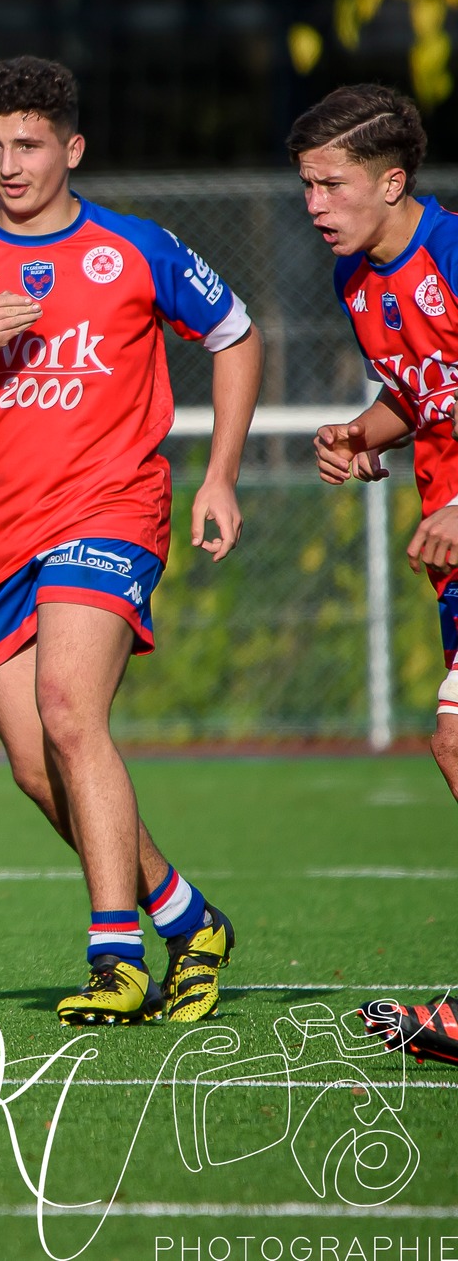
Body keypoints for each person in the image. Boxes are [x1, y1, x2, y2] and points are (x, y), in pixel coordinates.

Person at [0, 57, 261, 1027]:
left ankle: (113, 956)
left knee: (66, 710)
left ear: (70, 148)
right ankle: (185, 916)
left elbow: (235, 336)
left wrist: (216, 473)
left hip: (109, 511)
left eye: (27, 144)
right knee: (34, 766)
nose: (7, 163)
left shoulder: (132, 249)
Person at [297, 86, 458, 1060]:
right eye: (304, 185)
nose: (313, 204)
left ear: (391, 181)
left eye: (330, 184)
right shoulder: (354, 282)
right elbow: (420, 391)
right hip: (445, 545)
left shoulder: (451, 253)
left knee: (451, 736)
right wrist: (362, 432)